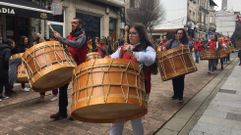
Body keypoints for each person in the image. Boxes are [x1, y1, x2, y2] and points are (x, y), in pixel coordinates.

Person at [109, 23, 156, 135]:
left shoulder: (148, 48)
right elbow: (111, 59)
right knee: (117, 119)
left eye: (134, 33)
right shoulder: (122, 49)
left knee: (136, 120)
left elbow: (150, 59)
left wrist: (133, 53)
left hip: (140, 89)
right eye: (129, 33)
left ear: (141, 35)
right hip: (122, 88)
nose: (130, 35)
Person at [51, 17, 88, 120]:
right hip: (68, 66)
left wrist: (61, 38)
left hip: (79, 67)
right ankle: (62, 112)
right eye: (72, 23)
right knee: (62, 88)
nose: (72, 24)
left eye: (75, 23)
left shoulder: (82, 36)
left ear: (80, 25)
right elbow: (65, 45)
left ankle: (76, 112)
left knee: (77, 90)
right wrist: (57, 39)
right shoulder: (69, 36)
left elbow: (76, 45)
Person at [32, 32, 58, 102]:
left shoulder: (44, 43)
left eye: (35, 37)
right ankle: (42, 95)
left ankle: (55, 94)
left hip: (47, 62)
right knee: (43, 80)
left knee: (51, 79)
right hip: (41, 63)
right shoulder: (35, 44)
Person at [165, 28, 189, 103]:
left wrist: (184, 47)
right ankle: (175, 94)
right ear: (176, 34)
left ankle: (180, 96)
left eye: (181, 33)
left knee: (181, 80)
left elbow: (189, 49)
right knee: (174, 79)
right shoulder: (171, 41)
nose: (179, 35)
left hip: (182, 63)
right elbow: (166, 47)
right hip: (173, 63)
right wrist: (164, 47)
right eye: (178, 33)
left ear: (183, 34)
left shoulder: (186, 41)